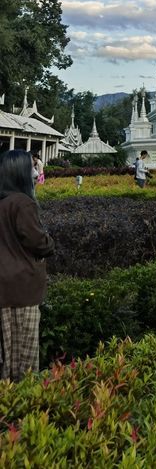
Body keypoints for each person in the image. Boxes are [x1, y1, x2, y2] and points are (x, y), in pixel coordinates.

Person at [0, 149, 55, 381]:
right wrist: (49, 241)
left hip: (3, 286)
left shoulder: (3, 202)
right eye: (31, 167)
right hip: (22, 288)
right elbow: (38, 242)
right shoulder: (22, 203)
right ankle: (23, 406)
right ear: (20, 173)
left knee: (6, 351)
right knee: (25, 357)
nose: (35, 172)